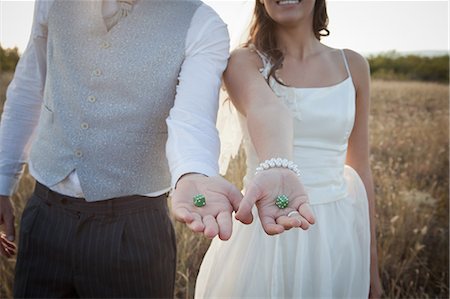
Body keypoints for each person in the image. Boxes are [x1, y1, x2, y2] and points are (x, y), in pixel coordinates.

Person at [0, 0, 247, 297]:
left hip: (134, 232)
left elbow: (192, 117)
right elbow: (29, 86)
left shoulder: (202, 24)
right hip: (45, 218)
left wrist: (193, 173)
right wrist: (2, 182)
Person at [195, 0, 383, 298]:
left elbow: (360, 168)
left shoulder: (354, 65)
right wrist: (278, 167)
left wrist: (371, 262)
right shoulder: (244, 62)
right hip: (267, 227)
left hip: (338, 232)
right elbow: (264, 108)